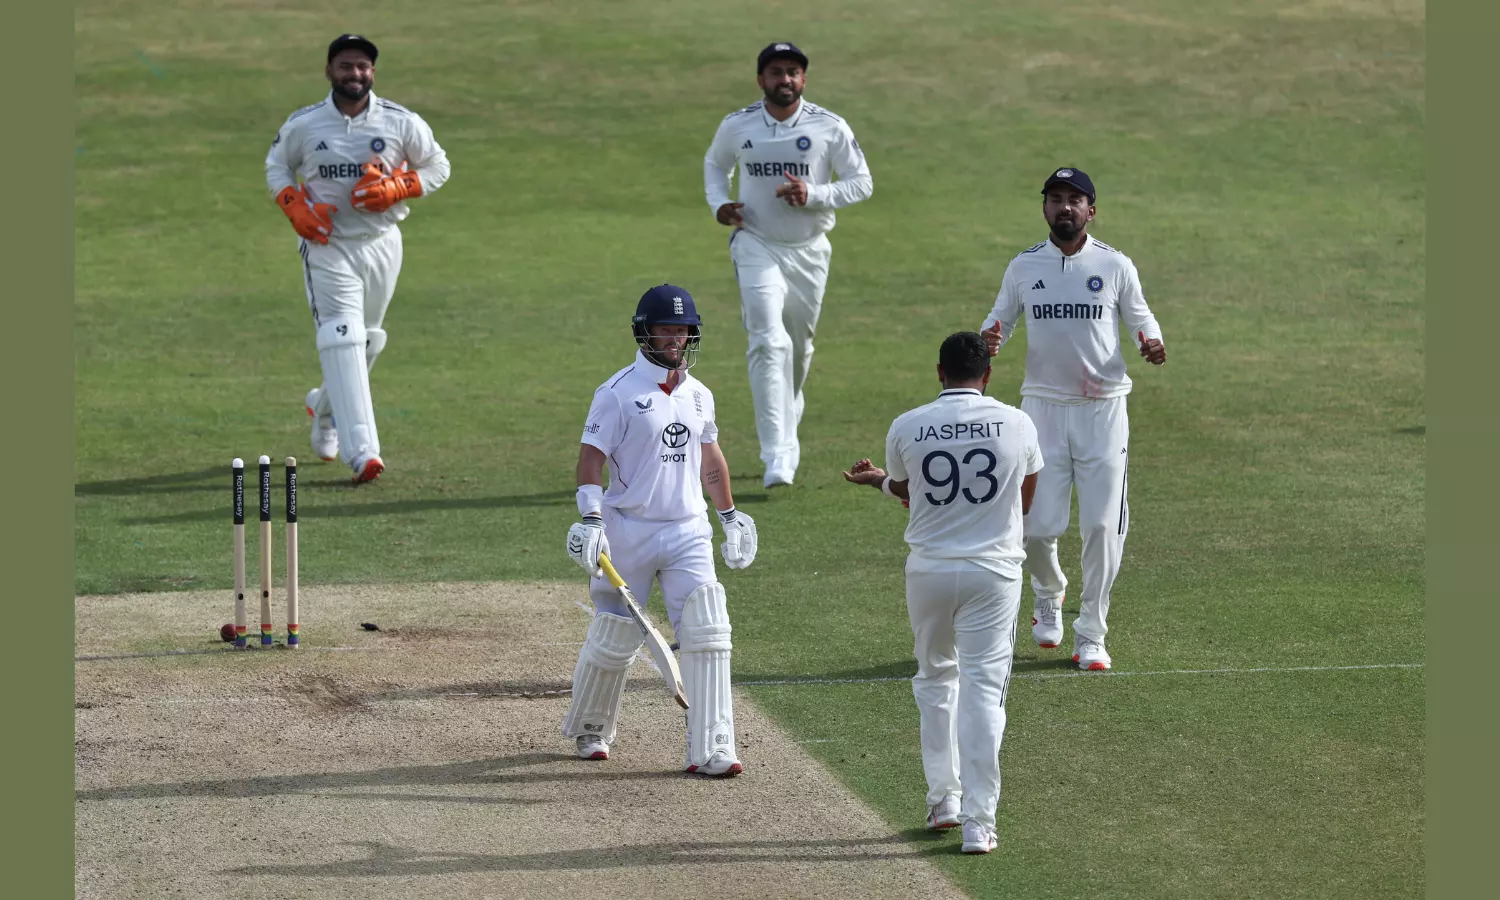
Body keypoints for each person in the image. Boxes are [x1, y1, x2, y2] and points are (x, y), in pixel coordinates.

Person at [842, 331, 1041, 855]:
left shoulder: (908, 424)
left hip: (928, 572)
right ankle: (979, 822)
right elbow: (1025, 498)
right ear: (988, 374)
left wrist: (877, 482)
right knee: (983, 693)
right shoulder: (1018, 423)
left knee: (934, 680)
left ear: (939, 372)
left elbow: (910, 489)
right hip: (993, 574)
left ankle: (944, 801)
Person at [561, 284, 759, 777]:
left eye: (683, 330)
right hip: (627, 529)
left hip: (688, 530)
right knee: (615, 631)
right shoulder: (617, 393)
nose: (675, 339)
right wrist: (591, 519)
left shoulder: (700, 394)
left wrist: (729, 515)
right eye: (666, 330)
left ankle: (712, 746)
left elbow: (710, 459)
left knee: (707, 628)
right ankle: (591, 727)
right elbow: (590, 460)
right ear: (644, 332)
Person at [979, 167, 1166, 671]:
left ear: (1091, 210)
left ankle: (1092, 634)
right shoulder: (1024, 266)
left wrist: (1151, 341)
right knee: (1035, 528)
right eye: (1056, 198)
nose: (1064, 207)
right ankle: (1048, 590)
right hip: (1041, 410)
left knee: (1104, 527)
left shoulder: (1115, 264)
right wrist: (989, 340)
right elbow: (999, 321)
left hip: (1103, 411)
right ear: (1044, 208)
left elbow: (1141, 317)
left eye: (1074, 200)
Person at [264, 34, 452, 483]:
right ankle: (363, 451)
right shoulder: (306, 124)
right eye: (346, 65)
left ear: (372, 72)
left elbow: (438, 166)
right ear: (329, 71)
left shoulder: (400, 121)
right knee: (342, 335)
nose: (355, 73)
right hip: (327, 243)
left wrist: (400, 187)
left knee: (366, 339)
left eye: (363, 66)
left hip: (382, 241)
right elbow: (277, 165)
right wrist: (293, 205)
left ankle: (325, 407)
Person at [703, 42, 874, 487]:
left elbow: (862, 182)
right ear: (761, 79)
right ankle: (777, 455)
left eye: (793, 72)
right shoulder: (738, 125)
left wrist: (813, 194)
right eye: (776, 72)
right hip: (756, 243)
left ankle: (787, 411)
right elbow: (715, 164)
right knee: (767, 342)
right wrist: (719, 204)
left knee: (798, 349)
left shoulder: (828, 126)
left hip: (809, 250)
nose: (785, 79)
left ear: (804, 79)